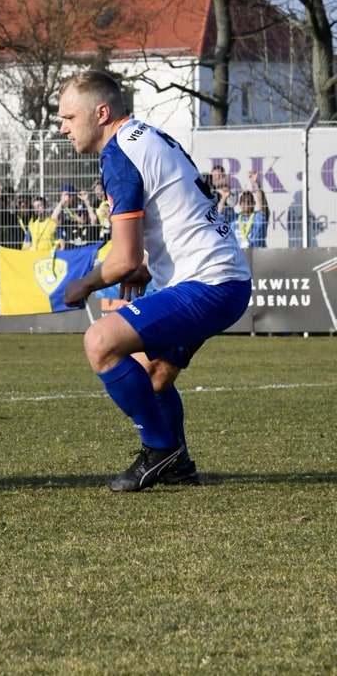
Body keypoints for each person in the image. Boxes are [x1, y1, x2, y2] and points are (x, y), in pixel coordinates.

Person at [58, 71, 250, 492]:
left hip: (209, 283)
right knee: (153, 375)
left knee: (100, 342)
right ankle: (178, 467)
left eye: (69, 117)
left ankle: (161, 450)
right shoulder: (145, 136)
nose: (63, 128)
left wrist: (83, 284)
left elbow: (122, 260)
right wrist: (151, 264)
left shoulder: (119, 154)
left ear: (101, 113)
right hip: (219, 277)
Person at [233, 170, 270, 249]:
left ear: (254, 203)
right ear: (240, 203)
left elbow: (263, 204)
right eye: (244, 201)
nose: (246, 203)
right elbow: (219, 212)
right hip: (238, 254)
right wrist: (224, 197)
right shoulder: (233, 218)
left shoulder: (259, 216)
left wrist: (256, 184)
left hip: (257, 253)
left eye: (249, 201)